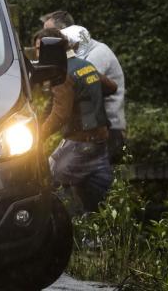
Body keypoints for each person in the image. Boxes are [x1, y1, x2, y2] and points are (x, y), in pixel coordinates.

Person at [37, 28, 118, 214]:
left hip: (80, 143)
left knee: (48, 181)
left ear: (52, 48)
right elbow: (111, 87)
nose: (37, 54)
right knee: (97, 205)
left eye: (39, 49)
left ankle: (65, 224)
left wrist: (36, 136)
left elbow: (60, 115)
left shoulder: (62, 74)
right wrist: (89, 93)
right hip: (99, 142)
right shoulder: (85, 66)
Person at [41, 11, 127, 164]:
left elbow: (67, 98)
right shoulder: (83, 57)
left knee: (62, 171)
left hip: (105, 130)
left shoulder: (94, 57)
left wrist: (39, 133)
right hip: (91, 130)